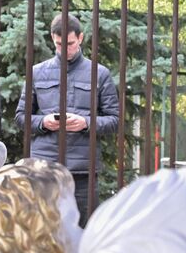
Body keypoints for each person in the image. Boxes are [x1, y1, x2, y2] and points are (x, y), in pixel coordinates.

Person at [15, 15, 120, 225]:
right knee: (41, 230)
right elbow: (20, 118)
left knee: (82, 230)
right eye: (59, 44)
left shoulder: (99, 74)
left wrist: (86, 123)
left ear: (80, 38)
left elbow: (115, 120)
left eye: (70, 44)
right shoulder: (36, 73)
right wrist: (43, 123)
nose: (65, 49)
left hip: (82, 171)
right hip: (44, 167)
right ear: (53, 39)